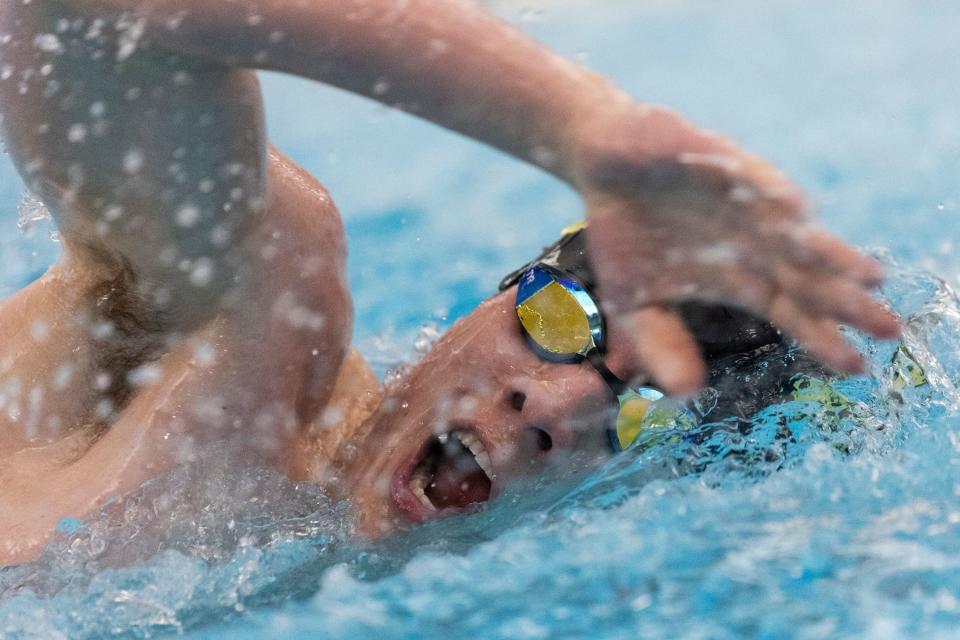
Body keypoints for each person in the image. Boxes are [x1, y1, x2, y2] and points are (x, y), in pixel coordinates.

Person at [0, 0, 900, 565]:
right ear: (499, 294)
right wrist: (575, 123)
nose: (549, 408)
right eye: (561, 319)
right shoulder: (255, 320)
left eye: (639, 414)